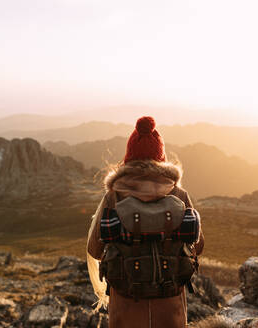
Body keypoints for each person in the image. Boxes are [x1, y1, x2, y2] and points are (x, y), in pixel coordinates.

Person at [87, 116, 204, 328]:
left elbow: (94, 250)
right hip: (170, 302)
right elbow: (199, 246)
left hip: (125, 300)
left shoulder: (113, 197)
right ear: (161, 159)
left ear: (128, 159)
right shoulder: (179, 194)